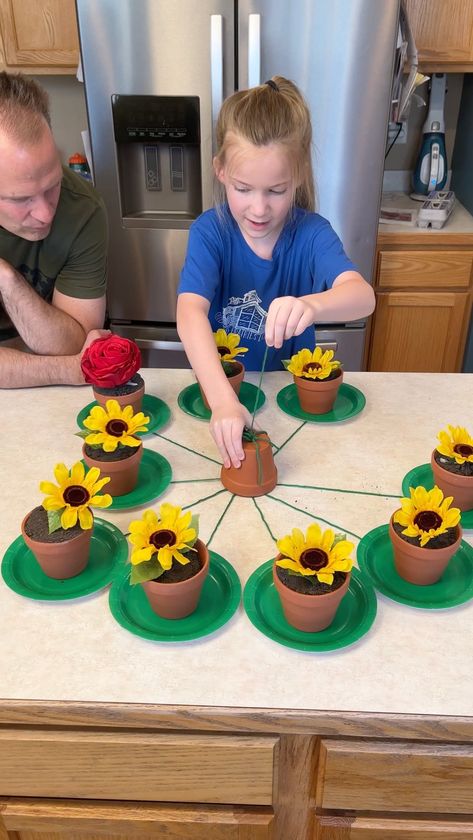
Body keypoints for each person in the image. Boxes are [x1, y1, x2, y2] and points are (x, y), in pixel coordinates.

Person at [177, 75, 375, 469]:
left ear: (298, 177)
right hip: (225, 392)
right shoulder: (210, 232)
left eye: (277, 191)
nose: (259, 209)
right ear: (220, 171)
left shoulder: (312, 233)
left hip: (293, 403)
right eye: (244, 188)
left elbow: (362, 296)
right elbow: (189, 312)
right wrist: (222, 402)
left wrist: (313, 306)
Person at [0, 71, 108, 388]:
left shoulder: (83, 209)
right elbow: (72, 363)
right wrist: (64, 370)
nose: (46, 213)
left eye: (52, 185)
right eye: (21, 199)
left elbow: (75, 345)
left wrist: (7, 280)